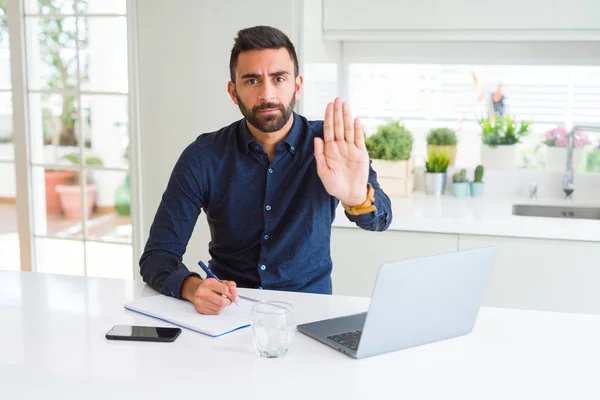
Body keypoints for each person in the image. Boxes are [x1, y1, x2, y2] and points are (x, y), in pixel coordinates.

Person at [140, 25, 392, 315]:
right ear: (233, 91)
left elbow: (381, 219)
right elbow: (157, 256)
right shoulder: (203, 156)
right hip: (230, 311)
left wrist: (356, 197)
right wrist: (192, 286)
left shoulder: (333, 144)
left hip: (310, 311)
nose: (267, 93)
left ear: (297, 85)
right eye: (252, 81)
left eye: (278, 78)